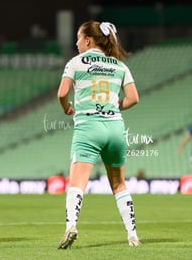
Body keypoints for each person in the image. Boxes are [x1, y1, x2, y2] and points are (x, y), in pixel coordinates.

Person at [56, 21, 141, 249]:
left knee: (77, 183)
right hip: (115, 127)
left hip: (88, 127)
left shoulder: (76, 62)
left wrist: (66, 107)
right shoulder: (119, 65)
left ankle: (71, 226)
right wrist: (112, 106)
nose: (76, 43)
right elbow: (133, 98)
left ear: (88, 40)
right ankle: (132, 235)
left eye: (78, 38)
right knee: (119, 184)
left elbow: (62, 92)